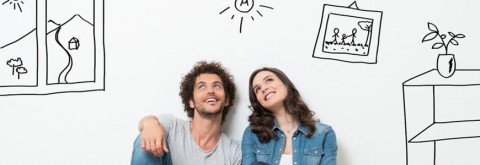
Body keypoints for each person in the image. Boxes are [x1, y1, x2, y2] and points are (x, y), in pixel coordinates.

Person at [131, 61, 242, 165]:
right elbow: (147, 125)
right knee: (146, 141)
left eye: (216, 85)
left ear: (226, 99)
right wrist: (150, 123)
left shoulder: (234, 151)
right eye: (201, 86)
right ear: (191, 102)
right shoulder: (173, 126)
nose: (210, 91)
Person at [242, 67, 337, 165]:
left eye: (269, 80)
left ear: (286, 84)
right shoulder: (252, 134)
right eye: (257, 89)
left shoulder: (324, 133)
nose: (264, 88)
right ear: (258, 101)